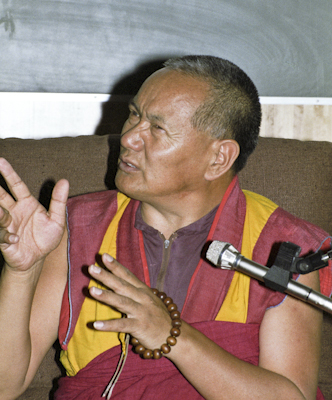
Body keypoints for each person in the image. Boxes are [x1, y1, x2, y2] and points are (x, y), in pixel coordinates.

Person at [0, 55, 331, 400]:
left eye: (156, 128)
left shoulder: (282, 247)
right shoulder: (76, 229)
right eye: (133, 115)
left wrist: (173, 337)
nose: (128, 138)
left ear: (218, 158)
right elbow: (6, 384)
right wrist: (21, 270)